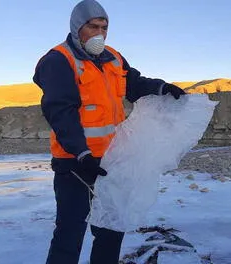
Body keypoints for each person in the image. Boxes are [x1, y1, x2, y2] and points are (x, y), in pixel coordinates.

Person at [32, 0, 186, 263]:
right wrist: (81, 153)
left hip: (113, 162)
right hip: (75, 165)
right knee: (70, 234)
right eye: (93, 26)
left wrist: (162, 88)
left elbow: (134, 84)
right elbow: (61, 112)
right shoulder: (58, 60)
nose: (100, 33)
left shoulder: (113, 57)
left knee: (111, 230)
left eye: (104, 27)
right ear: (77, 27)